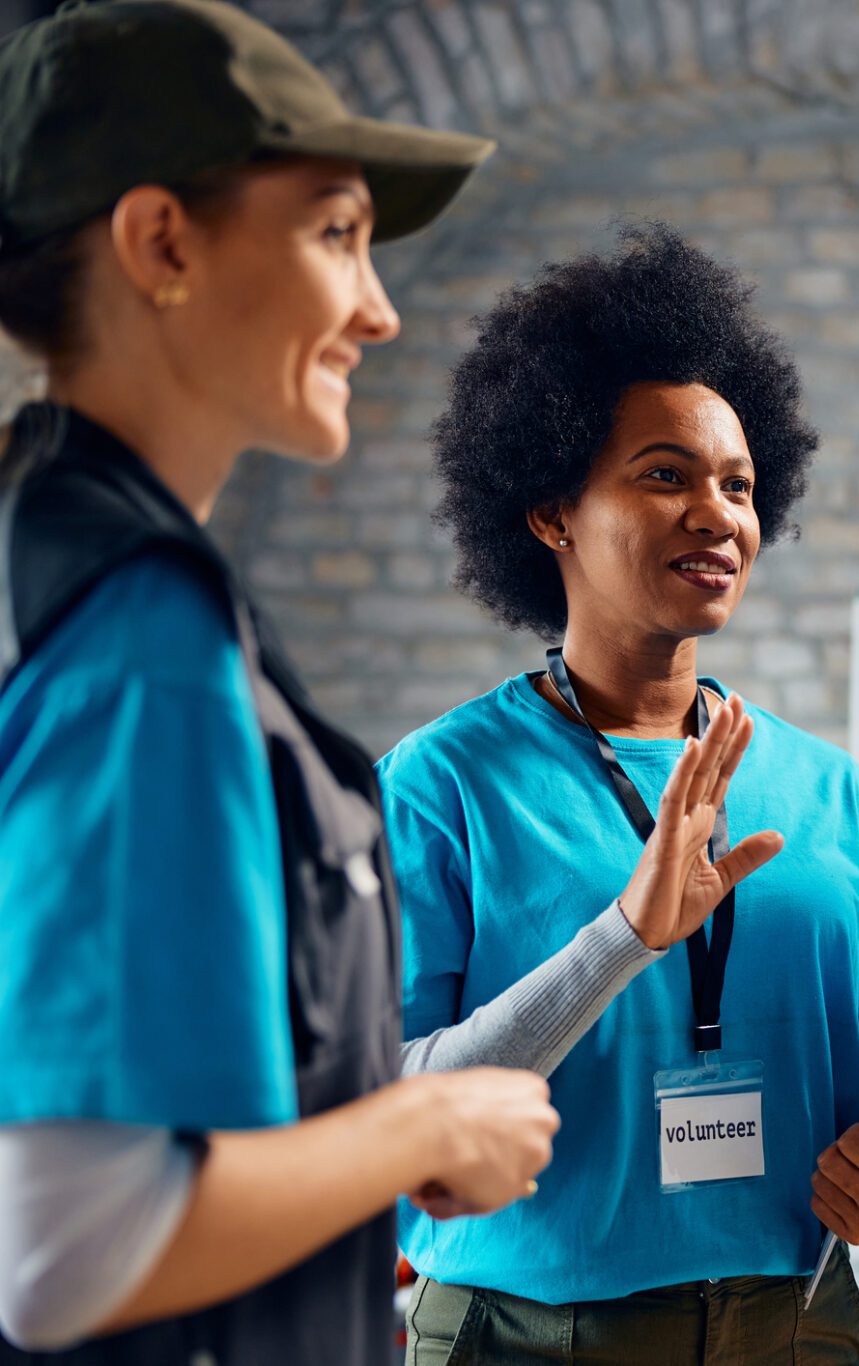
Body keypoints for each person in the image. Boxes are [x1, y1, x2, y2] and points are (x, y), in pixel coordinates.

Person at [0, 3, 563, 1361]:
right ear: (163, 242)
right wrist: (425, 1122)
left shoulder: (44, 554)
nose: (378, 308)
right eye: (335, 233)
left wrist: (351, 1151)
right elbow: (63, 1247)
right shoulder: (145, 640)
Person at [381, 222, 859, 1364]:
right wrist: (625, 937)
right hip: (525, 1337)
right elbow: (388, 1114)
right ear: (549, 512)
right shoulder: (441, 785)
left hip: (796, 1326)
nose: (716, 513)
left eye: (737, 483)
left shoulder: (830, 793)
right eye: (664, 475)